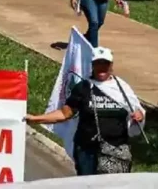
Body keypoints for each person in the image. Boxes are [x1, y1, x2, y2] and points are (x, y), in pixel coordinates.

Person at [25, 47, 145, 176]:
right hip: (87, 151)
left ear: (111, 65)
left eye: (105, 63)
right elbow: (65, 113)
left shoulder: (122, 88)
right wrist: (36, 119)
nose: (101, 67)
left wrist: (139, 116)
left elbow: (137, 110)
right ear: (92, 65)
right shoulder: (83, 88)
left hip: (116, 150)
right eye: (98, 63)